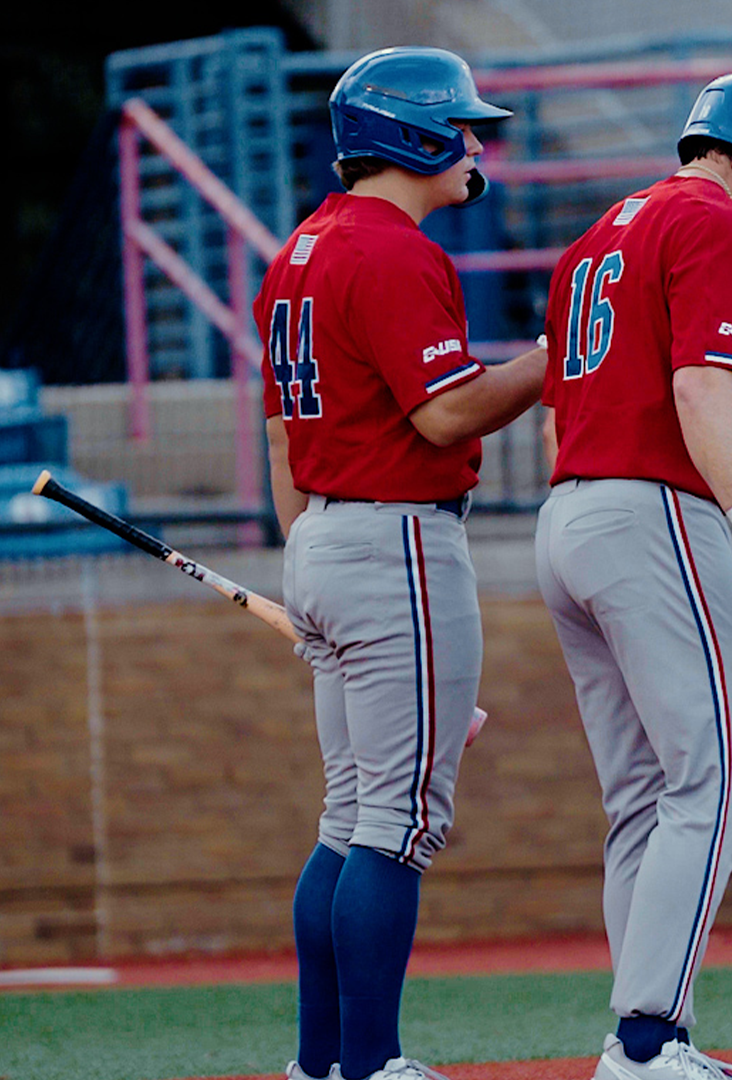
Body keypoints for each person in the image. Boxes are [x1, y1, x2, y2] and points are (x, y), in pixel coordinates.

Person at [535, 71, 732, 1080]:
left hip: (570, 512)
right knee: (709, 786)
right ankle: (645, 1040)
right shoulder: (723, 228)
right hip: (651, 510)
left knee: (644, 799)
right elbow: (700, 379)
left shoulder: (603, 231)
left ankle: (642, 1031)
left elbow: (689, 364)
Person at [260, 47, 548, 1080]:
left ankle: (322, 1065)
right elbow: (446, 412)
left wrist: (305, 552)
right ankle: (373, 1065)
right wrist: (556, 362)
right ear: (410, 135)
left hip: (325, 536)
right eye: (461, 126)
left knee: (347, 818)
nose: (475, 143)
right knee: (396, 822)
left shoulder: (301, 245)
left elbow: (278, 436)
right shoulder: (388, 249)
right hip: (396, 540)